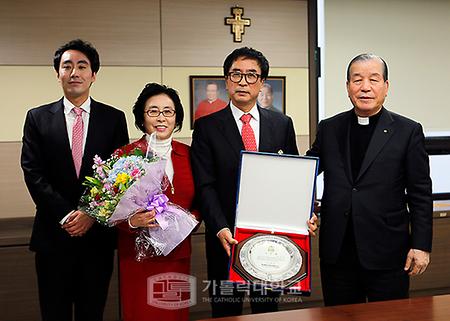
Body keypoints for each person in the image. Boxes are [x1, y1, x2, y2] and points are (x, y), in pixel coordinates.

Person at [191, 47, 316, 318]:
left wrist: (305, 214)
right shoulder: (206, 127)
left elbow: (292, 178)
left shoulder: (282, 124)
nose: (243, 81)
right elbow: (205, 184)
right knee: (226, 308)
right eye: (236, 74)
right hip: (226, 237)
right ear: (226, 81)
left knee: (267, 310)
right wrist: (220, 227)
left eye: (251, 75)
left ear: (262, 83)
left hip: (270, 238)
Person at [307, 53, 432, 306]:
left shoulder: (408, 131)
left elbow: (420, 193)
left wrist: (421, 245)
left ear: (386, 86)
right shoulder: (330, 128)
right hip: (338, 253)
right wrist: (303, 209)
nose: (365, 87)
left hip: (388, 253)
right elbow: (307, 172)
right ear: (347, 86)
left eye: (374, 79)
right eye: (357, 80)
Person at [21, 39, 129, 321]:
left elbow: (120, 176)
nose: (74, 72)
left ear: (94, 74)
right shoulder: (37, 118)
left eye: (82, 66)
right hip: (52, 236)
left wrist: (90, 215)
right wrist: (68, 215)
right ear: (57, 74)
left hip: (97, 240)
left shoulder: (113, 119)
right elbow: (33, 173)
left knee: (91, 312)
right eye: (66, 66)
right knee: (53, 313)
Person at [115, 83, 200, 321]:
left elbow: (202, 198)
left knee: (174, 314)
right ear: (142, 117)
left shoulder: (190, 154)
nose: (161, 118)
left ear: (177, 117)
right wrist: (132, 221)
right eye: (153, 111)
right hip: (136, 255)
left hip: (177, 253)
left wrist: (192, 219)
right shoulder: (125, 155)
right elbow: (108, 207)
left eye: (168, 111)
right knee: (140, 313)